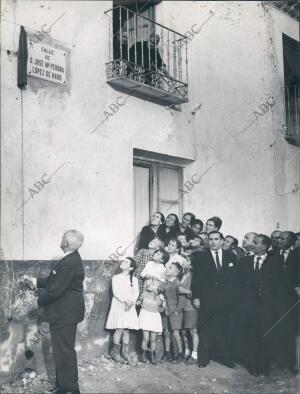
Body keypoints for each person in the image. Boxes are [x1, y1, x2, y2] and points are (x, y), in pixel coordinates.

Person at [22, 230, 85, 394]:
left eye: (62, 238)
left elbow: (55, 290)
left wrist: (36, 301)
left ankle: (68, 389)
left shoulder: (70, 262)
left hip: (65, 314)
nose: (60, 240)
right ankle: (65, 387)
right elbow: (54, 280)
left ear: (66, 244)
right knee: (64, 351)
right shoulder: (70, 258)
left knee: (64, 352)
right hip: (66, 313)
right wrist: (35, 281)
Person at [238, 234, 285, 377]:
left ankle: (264, 366)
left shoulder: (275, 261)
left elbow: (279, 285)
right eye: (253, 242)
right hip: (248, 306)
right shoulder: (244, 261)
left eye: (257, 243)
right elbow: (239, 284)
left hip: (267, 307)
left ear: (265, 246)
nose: (253, 245)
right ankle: (253, 365)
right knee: (250, 335)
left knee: (266, 336)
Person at [191, 231, 238, 369]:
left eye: (216, 239)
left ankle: (225, 358)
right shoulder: (200, 257)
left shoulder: (231, 257)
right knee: (205, 328)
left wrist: (233, 298)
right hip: (207, 298)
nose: (213, 242)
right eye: (210, 239)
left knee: (225, 328)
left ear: (222, 241)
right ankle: (204, 358)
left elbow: (235, 281)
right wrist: (196, 297)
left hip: (226, 300)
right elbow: (196, 280)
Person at [106, 257, 139, 364]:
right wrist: (125, 301)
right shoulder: (116, 277)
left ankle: (125, 351)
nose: (123, 262)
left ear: (131, 268)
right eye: (123, 261)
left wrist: (131, 302)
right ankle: (115, 352)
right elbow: (116, 292)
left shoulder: (134, 279)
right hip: (119, 305)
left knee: (126, 330)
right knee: (119, 328)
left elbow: (136, 293)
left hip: (129, 306)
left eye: (126, 262)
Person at [277, 231, 299, 373]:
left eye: (283, 238)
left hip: (292, 299)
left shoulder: (297, 255)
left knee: (291, 330)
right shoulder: (271, 254)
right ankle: (280, 360)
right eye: (278, 238)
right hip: (275, 299)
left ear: (291, 241)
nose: (279, 240)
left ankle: (292, 362)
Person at [138, 278, 166, 364]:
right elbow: (140, 300)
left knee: (153, 339)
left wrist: (161, 299)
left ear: (158, 289)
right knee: (145, 338)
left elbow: (161, 309)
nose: (150, 284)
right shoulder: (144, 293)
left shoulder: (158, 297)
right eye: (151, 283)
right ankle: (142, 355)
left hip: (154, 317)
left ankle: (152, 356)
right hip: (146, 316)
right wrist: (138, 302)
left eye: (153, 284)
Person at [163, 262, 186, 363]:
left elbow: (182, 300)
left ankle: (179, 354)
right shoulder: (167, 283)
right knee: (166, 332)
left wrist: (177, 311)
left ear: (176, 273)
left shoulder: (178, 284)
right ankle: (168, 353)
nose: (167, 269)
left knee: (176, 333)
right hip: (166, 311)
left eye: (171, 268)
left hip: (175, 312)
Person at [177, 260, 199, 364]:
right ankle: (186, 351)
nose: (185, 262)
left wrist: (185, 291)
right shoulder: (182, 275)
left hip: (190, 306)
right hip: (181, 306)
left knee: (193, 330)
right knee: (183, 331)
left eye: (188, 261)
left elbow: (197, 291)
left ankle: (194, 354)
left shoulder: (194, 276)